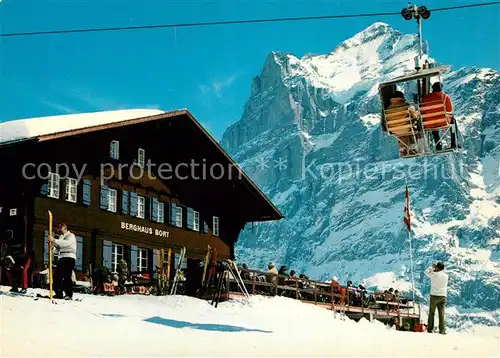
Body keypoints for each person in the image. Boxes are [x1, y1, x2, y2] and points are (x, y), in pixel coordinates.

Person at [421, 82, 458, 150]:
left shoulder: (425, 98)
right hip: (442, 122)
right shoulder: (445, 96)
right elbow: (450, 110)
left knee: (432, 122)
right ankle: (454, 143)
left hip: (429, 123)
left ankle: (438, 145)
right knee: (453, 120)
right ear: (441, 89)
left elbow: (422, 111)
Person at [385, 91, 421, 156]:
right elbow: (415, 116)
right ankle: (412, 148)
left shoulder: (387, 108)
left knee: (402, 131)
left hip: (394, 130)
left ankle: (402, 149)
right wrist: (417, 113)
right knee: (412, 128)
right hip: (407, 129)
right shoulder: (406, 105)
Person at [49, 223, 76, 300]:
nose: (58, 231)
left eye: (60, 229)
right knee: (57, 275)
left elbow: (66, 244)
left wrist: (54, 240)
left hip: (69, 257)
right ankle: (58, 292)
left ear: (64, 228)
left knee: (67, 276)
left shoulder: (71, 235)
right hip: (62, 257)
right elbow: (58, 249)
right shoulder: (61, 237)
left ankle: (69, 294)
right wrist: (52, 248)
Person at [424, 262, 448, 334]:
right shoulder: (446, 276)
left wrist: (432, 268)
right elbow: (440, 272)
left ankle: (430, 329)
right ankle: (442, 330)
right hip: (443, 296)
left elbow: (425, 272)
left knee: (432, 313)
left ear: (437, 268)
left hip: (434, 295)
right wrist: (436, 269)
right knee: (441, 314)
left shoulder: (434, 274)